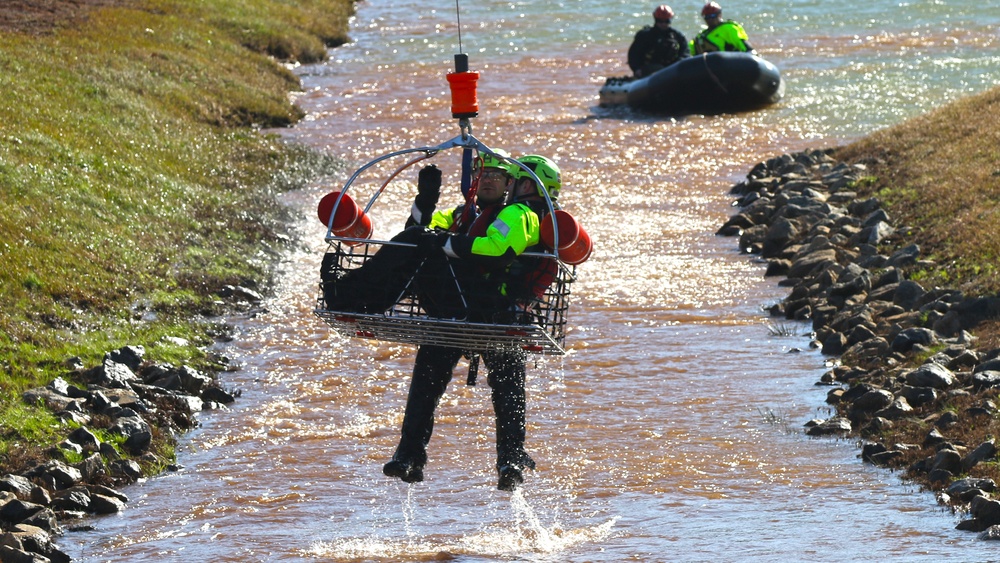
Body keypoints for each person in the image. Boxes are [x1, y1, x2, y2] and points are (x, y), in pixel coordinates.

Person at [381, 154, 563, 492]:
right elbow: (417, 232)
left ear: (515, 185)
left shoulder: (522, 217)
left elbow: (493, 250)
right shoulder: (465, 215)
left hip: (497, 314)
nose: (490, 180)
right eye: (485, 174)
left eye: (500, 175)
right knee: (426, 382)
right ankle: (410, 456)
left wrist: (443, 243)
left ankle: (510, 460)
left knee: (508, 390)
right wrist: (425, 200)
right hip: (455, 311)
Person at [627, 5, 689, 78]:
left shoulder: (677, 36)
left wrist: (679, 65)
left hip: (671, 69)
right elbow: (633, 54)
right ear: (655, 20)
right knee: (658, 68)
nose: (663, 24)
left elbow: (685, 53)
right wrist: (636, 69)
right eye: (660, 21)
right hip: (649, 69)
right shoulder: (644, 35)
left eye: (666, 21)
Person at [689, 2, 755, 55]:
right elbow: (689, 51)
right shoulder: (701, 36)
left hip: (728, 63)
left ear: (719, 15)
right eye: (707, 17)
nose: (710, 19)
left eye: (712, 16)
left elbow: (744, 46)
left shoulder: (729, 28)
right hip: (708, 65)